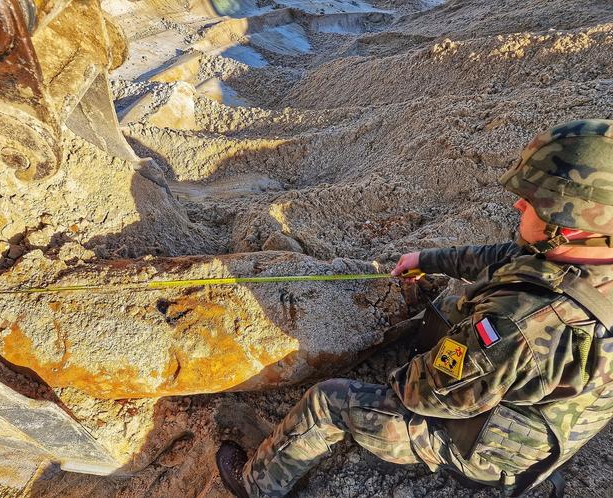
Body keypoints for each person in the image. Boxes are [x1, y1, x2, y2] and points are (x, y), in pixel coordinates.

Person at [216, 119, 613, 498]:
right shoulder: (586, 257)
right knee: (450, 310)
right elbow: (509, 257)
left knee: (328, 400)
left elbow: (423, 394)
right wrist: (429, 258)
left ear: (572, 226)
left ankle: (256, 484)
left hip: (493, 451)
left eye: (532, 204)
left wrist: (407, 371)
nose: (517, 207)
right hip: (550, 411)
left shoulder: (519, 323)